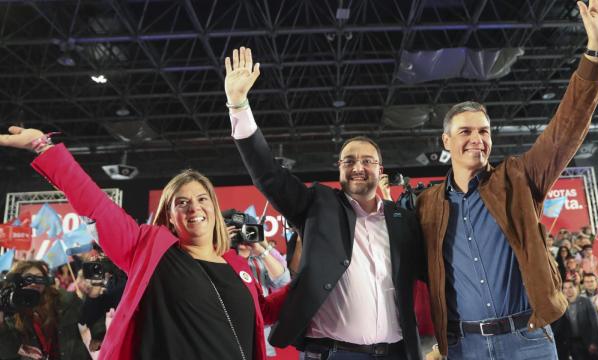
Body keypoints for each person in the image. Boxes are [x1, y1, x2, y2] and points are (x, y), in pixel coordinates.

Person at [418, 1, 598, 358]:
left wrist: (597, 54)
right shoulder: (427, 206)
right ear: (446, 141)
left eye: (484, 131)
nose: (476, 139)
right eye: (465, 131)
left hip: (527, 342)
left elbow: (565, 130)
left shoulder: (518, 179)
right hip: (464, 347)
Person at [0, 128, 288, 360]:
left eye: (202, 199)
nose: (194, 208)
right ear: (170, 216)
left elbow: (260, 313)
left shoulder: (235, 264)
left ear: (213, 207)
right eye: (182, 202)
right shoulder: (150, 249)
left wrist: (315, 282)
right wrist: (43, 147)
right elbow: (96, 205)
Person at [225, 47, 427, 359]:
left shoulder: (402, 220)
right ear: (340, 169)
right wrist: (238, 105)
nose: (358, 166)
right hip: (333, 353)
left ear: (380, 170)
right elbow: (269, 174)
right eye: (349, 161)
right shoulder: (318, 205)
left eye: (367, 160)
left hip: (396, 353)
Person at [0, 260, 91, 360]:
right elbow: (6, 353)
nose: (34, 283)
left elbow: (91, 315)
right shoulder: (11, 310)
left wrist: (93, 297)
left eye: (39, 277)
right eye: (29, 278)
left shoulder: (64, 300)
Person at [232, 224, 291, 357]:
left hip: (260, 340)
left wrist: (260, 249)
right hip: (231, 340)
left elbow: (284, 281)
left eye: (246, 232)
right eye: (237, 232)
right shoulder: (219, 260)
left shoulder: (259, 261)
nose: (242, 236)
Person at [552, 280, 598, 360]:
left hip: (588, 342)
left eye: (570, 287)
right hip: (572, 343)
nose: (567, 290)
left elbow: (595, 323)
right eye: (565, 288)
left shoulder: (586, 301)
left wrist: (594, 342)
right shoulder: (562, 305)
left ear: (576, 287)